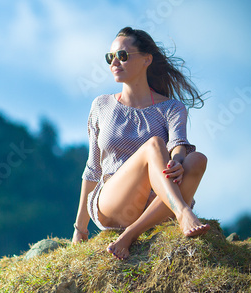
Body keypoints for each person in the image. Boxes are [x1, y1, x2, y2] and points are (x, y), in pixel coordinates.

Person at [72, 26, 209, 260]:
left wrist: (177, 161)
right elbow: (93, 169)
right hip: (114, 202)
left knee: (197, 160)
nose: (115, 62)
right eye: (110, 57)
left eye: (123, 56)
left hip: (154, 205)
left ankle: (130, 235)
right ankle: (183, 212)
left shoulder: (171, 108)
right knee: (154, 145)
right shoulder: (101, 106)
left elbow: (179, 143)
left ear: (147, 60)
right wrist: (80, 229)